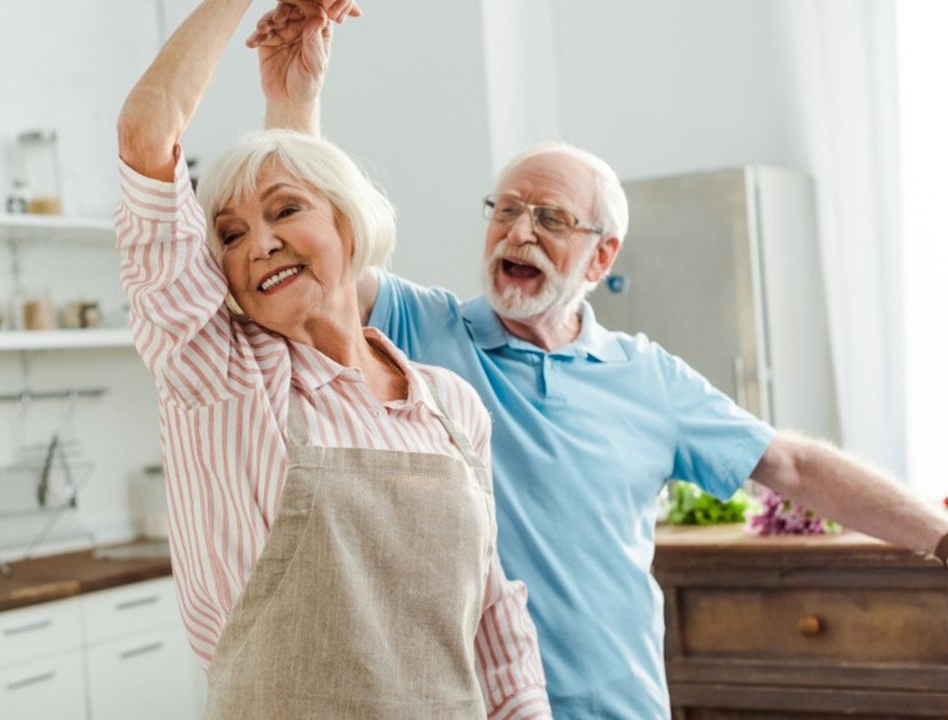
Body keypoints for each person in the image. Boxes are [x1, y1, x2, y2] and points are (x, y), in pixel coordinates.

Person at [248, 4, 948, 718]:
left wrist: (940, 533)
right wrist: (292, 99)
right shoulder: (418, 327)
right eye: (505, 210)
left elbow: (792, 466)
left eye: (550, 218)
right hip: (470, 704)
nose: (518, 232)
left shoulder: (648, 377)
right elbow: (318, 259)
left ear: (601, 255)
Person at [115, 1, 552, 718]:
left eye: (285, 212)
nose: (256, 244)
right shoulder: (224, 377)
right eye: (228, 235)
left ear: (351, 223)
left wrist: (293, 99)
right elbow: (146, 132)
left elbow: (493, 619)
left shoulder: (449, 406)